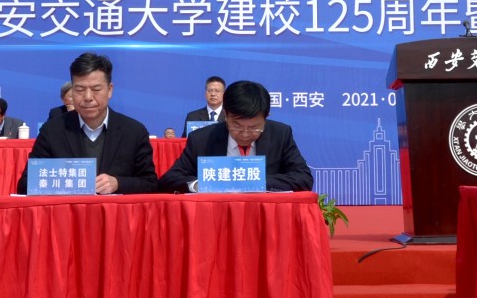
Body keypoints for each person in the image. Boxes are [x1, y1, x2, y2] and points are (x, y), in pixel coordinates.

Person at [17, 52, 157, 195]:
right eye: (80, 90)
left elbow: (150, 184)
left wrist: (118, 183)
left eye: (96, 89)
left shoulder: (134, 132)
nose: (88, 97)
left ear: (110, 90)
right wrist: (71, 183)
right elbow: (25, 184)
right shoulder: (52, 131)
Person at [160, 80, 313, 193]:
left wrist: (252, 182)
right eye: (237, 126)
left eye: (254, 127)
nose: (245, 134)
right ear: (225, 115)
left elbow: (304, 178)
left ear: (266, 117)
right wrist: (201, 185)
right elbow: (169, 180)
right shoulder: (201, 139)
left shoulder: (280, 134)